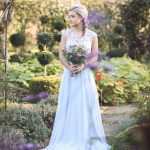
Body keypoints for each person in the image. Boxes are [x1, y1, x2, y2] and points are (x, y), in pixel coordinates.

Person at [41, 4, 111, 150]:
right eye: (69, 16)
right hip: (70, 75)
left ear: (81, 17)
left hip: (85, 76)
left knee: (84, 105)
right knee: (69, 105)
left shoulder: (92, 35)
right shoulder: (66, 34)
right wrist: (69, 67)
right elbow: (61, 54)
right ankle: (68, 138)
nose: (69, 19)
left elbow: (94, 58)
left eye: (72, 16)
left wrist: (82, 66)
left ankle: (87, 138)